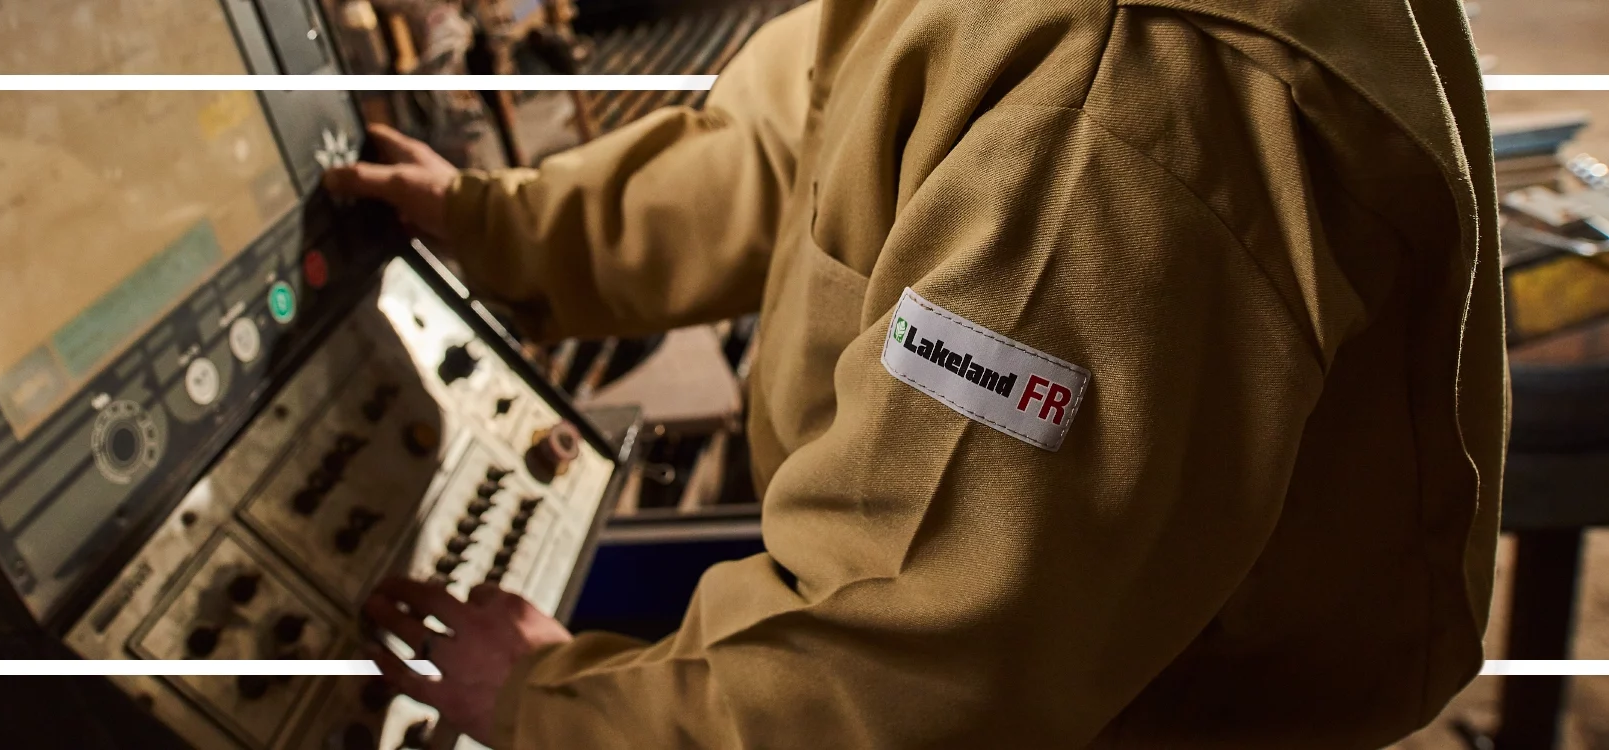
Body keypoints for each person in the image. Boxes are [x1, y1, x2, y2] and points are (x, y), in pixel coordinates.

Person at [324, 0, 1508, 746]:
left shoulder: (1109, 109)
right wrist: (495, 219)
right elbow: (788, 138)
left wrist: (543, 701)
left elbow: (899, 676)